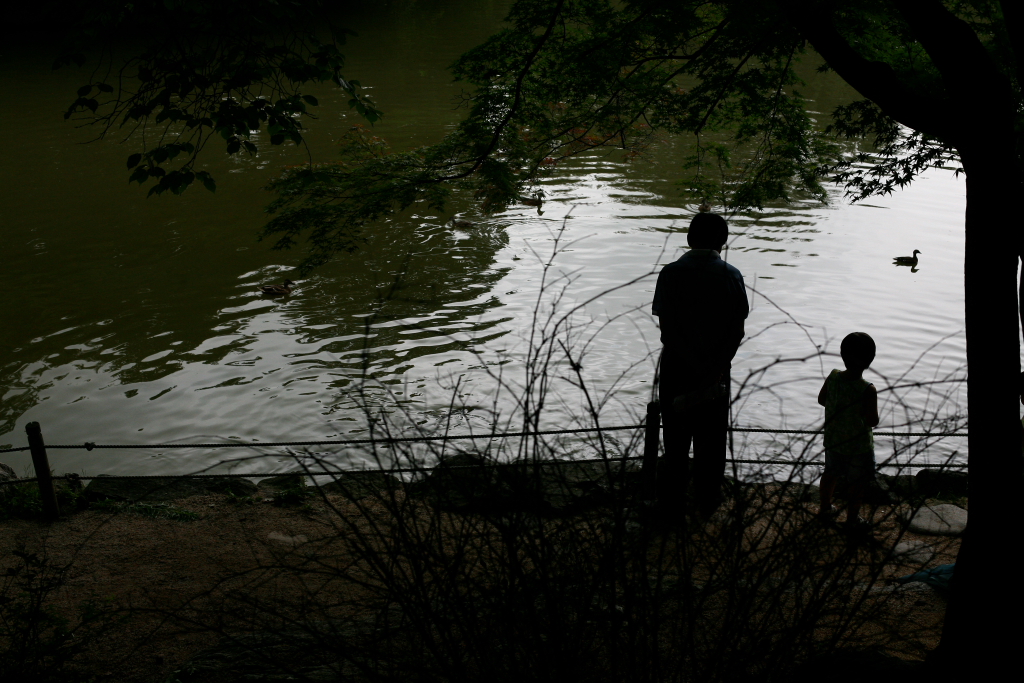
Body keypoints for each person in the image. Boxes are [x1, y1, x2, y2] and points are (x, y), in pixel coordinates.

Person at [652, 210, 748, 517]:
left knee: (676, 440)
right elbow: (737, 331)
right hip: (716, 372)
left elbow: (667, 329)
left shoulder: (670, 273)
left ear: (690, 238)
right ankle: (707, 501)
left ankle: (673, 502)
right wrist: (714, 368)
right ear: (723, 241)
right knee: (712, 442)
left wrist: (691, 361)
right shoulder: (731, 275)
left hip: (676, 369)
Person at [817, 332, 879, 529]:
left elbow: (821, 400)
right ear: (870, 360)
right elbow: (872, 421)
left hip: (834, 440)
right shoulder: (867, 389)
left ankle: (825, 508)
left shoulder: (834, 377)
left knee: (830, 474)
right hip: (858, 447)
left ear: (843, 355)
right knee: (857, 484)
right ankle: (851, 520)